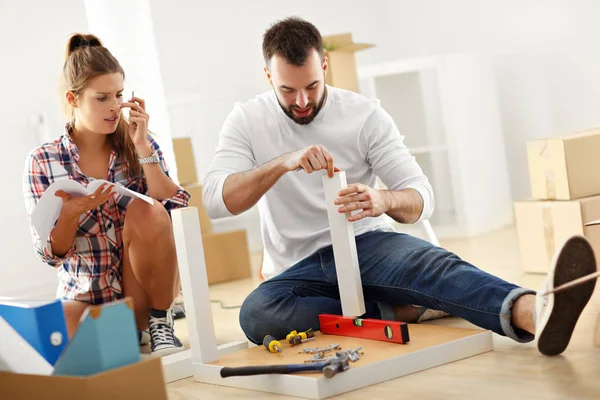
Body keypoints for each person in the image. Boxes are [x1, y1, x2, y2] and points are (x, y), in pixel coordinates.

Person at [202, 17, 598, 356]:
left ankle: (537, 310)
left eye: (312, 85)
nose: (302, 101)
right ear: (268, 76)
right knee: (258, 314)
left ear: (325, 65)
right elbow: (217, 201)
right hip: (296, 270)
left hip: (367, 245)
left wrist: (381, 199)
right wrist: (282, 163)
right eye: (287, 90)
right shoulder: (246, 121)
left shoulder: (363, 115)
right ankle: (405, 309)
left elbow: (421, 198)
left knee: (434, 267)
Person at [23, 34, 188, 357]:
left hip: (139, 291)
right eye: (102, 98)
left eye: (119, 95)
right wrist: (72, 212)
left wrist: (143, 148)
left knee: (150, 210)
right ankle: (123, 334)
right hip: (84, 295)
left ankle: (158, 322)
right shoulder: (43, 160)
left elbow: (175, 206)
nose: (114, 107)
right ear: (73, 99)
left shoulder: (137, 144)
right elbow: (49, 254)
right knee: (56, 353)